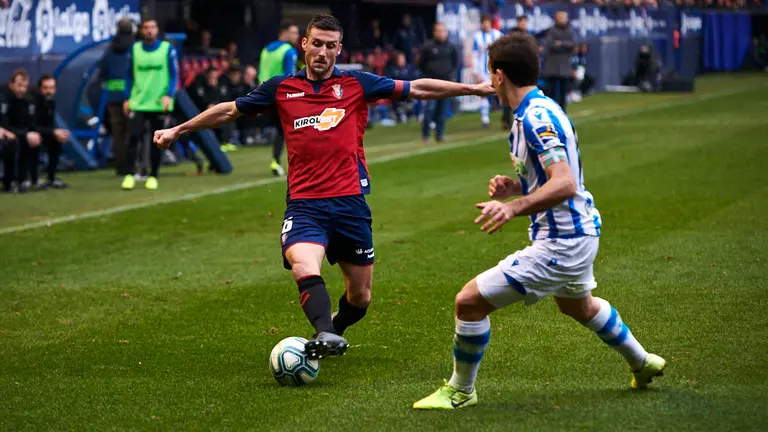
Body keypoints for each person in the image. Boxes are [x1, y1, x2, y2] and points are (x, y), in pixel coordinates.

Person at [153, 13, 494, 360]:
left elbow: (417, 87)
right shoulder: (281, 88)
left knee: (360, 298)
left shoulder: (357, 84)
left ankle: (336, 327)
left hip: (350, 203)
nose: (323, 52)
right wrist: (178, 130)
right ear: (304, 44)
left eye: (331, 46)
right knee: (303, 263)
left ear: (339, 49)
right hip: (305, 204)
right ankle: (325, 333)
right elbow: (228, 111)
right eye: (316, 43)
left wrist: (474, 89)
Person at [413, 33, 666, 410]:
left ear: (498, 75)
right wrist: (515, 185)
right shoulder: (537, 109)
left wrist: (514, 207)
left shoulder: (534, 119)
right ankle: (642, 362)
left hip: (562, 241)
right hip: (578, 232)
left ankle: (460, 390)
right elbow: (557, 175)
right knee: (578, 306)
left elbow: (564, 182)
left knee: (468, 302)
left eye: (489, 71)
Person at [121, 18, 179, 191]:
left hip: (159, 103)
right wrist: (126, 98)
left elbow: (174, 74)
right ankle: (129, 175)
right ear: (141, 31)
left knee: (158, 141)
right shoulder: (135, 49)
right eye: (146, 27)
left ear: (157, 29)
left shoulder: (167, 49)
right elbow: (128, 75)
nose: (149, 30)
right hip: (138, 102)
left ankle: (153, 175)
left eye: (152, 27)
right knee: (132, 139)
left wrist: (169, 95)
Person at [258, 19, 300, 176]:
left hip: (264, 95)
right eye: (294, 32)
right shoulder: (289, 51)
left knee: (282, 129)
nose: (297, 36)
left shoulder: (266, 50)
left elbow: (262, 73)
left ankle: (277, 161)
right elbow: (290, 77)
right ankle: (281, 162)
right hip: (282, 96)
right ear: (285, 32)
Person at [99, 18, 134, 177]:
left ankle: (121, 168)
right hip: (132, 96)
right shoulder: (135, 48)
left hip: (112, 96)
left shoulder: (109, 48)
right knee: (133, 132)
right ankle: (133, 167)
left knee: (117, 134)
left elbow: (103, 71)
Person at [3, 69, 42, 193]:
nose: (22, 90)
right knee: (12, 142)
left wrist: (32, 134)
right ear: (11, 84)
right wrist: (25, 134)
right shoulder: (4, 99)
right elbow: (5, 125)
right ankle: (9, 182)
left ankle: (27, 179)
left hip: (19, 133)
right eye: (19, 86)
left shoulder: (28, 101)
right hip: (5, 133)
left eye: (24, 86)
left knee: (34, 139)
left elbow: (31, 124)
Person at [419, 23, 458, 143]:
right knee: (430, 109)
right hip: (431, 83)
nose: (441, 33)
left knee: (442, 110)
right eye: (438, 31)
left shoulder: (451, 47)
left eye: (443, 31)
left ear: (446, 32)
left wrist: (452, 77)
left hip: (446, 82)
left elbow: (455, 63)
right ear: (434, 32)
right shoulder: (428, 47)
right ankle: (425, 135)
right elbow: (421, 64)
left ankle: (439, 134)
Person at [34, 74, 70, 189]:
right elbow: (32, 126)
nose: (49, 91)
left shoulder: (51, 103)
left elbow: (49, 124)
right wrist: (53, 132)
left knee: (56, 141)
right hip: (29, 132)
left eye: (51, 88)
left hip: (43, 132)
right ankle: (32, 177)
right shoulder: (33, 102)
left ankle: (51, 177)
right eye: (45, 88)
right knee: (34, 138)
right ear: (40, 88)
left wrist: (58, 132)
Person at [472, 15, 503, 128]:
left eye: (488, 22)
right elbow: (475, 55)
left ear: (491, 23)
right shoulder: (477, 36)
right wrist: (476, 72)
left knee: (502, 91)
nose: (486, 25)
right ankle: (485, 119)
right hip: (483, 70)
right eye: (484, 23)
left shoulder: (498, 35)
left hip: (496, 70)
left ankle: (505, 117)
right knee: (483, 94)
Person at [542, 11, 575, 112]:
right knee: (550, 93)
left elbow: (572, 45)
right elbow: (551, 45)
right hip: (552, 66)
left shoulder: (570, 31)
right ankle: (550, 111)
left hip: (564, 67)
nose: (563, 20)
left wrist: (560, 44)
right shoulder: (551, 31)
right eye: (561, 18)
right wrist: (564, 46)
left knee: (563, 93)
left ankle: (562, 112)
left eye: (564, 17)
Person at [502, 15, 529, 130]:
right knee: (510, 95)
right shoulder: (512, 35)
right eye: (521, 22)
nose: (523, 24)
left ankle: (519, 118)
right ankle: (507, 120)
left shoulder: (527, 36)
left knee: (522, 95)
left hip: (523, 68)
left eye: (525, 22)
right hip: (512, 67)